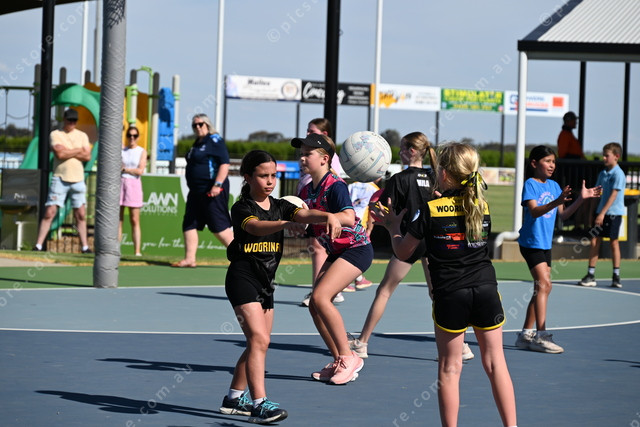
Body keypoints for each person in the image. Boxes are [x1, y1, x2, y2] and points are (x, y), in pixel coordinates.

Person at [375, 142, 517, 427]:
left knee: (450, 368)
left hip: (451, 293)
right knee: (495, 363)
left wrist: (392, 226)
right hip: (486, 289)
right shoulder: (482, 206)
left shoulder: (429, 209)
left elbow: (403, 251)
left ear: (444, 173)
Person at [220, 150, 341, 423]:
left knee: (258, 343)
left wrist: (328, 216)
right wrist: (286, 224)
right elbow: (255, 227)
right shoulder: (242, 208)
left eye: (274, 175)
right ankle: (259, 404)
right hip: (242, 279)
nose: (270, 181)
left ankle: (233, 399)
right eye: (263, 176)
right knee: (259, 340)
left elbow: (305, 213)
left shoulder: (281, 205)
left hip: (266, 283)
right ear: (247, 177)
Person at [349, 132, 474, 362]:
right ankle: (462, 346)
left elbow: (383, 210)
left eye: (402, 148)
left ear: (412, 151)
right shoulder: (435, 177)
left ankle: (362, 343)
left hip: (409, 239)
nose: (399, 152)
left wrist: (375, 208)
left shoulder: (399, 179)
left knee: (384, 291)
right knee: (438, 295)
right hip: (435, 240)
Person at [292, 133, 373, 385]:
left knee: (319, 297)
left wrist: (327, 217)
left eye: (308, 154)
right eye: (301, 153)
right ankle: (339, 358)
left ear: (324, 159)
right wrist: (299, 225)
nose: (302, 158)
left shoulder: (335, 185)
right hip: (337, 251)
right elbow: (307, 220)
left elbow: (348, 217)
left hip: (357, 249)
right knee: (315, 305)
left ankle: (349, 357)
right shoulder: (306, 190)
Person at [515, 145, 600, 353]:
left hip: (545, 244)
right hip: (531, 243)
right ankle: (541, 336)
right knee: (544, 285)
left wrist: (581, 198)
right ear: (534, 163)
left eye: (553, 161)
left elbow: (563, 214)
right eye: (547, 161)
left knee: (542, 287)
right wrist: (556, 201)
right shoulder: (530, 184)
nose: (552, 165)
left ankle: (525, 335)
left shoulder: (554, 185)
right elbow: (534, 211)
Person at [172, 114, 233, 267]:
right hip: (196, 191)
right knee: (189, 223)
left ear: (207, 124)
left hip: (212, 190)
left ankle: (243, 258)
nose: (197, 127)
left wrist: (217, 185)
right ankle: (189, 259)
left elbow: (224, 164)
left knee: (218, 227)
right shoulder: (197, 143)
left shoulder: (214, 140)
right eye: (194, 125)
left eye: (200, 124)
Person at [297, 118, 345, 306]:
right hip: (313, 207)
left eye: (312, 131)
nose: (307, 134)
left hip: (321, 209)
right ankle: (325, 289)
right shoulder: (309, 162)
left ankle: (321, 289)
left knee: (318, 248)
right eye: (307, 131)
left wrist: (325, 214)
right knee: (317, 247)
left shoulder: (331, 169)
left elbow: (334, 182)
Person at [33, 108, 93, 253]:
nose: (72, 123)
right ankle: (39, 245)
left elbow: (87, 156)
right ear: (64, 120)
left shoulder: (82, 135)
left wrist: (68, 151)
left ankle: (85, 246)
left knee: (80, 214)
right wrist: (78, 150)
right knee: (50, 212)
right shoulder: (56, 134)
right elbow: (59, 154)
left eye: (74, 121)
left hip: (78, 179)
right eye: (69, 120)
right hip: (59, 178)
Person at [579, 142, 626, 288]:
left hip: (613, 214)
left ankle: (616, 276)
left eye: (607, 155)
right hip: (600, 213)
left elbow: (613, 196)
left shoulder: (618, 174)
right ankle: (590, 274)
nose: (604, 158)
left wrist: (603, 213)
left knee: (613, 242)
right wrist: (592, 213)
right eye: (603, 155)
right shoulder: (602, 174)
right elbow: (596, 194)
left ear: (616, 156)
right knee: (594, 241)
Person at [345, 178, 381, 291]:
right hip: (359, 224)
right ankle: (346, 280)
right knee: (354, 253)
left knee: (348, 250)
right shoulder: (374, 189)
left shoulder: (352, 185)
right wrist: (370, 229)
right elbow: (372, 211)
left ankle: (358, 279)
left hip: (346, 221)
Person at [119, 126, 147, 256]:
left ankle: (137, 251)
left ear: (138, 137)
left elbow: (140, 170)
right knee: (118, 220)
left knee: (134, 219)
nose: (132, 138)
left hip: (134, 185)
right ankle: (116, 250)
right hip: (120, 184)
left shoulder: (142, 151)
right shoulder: (122, 151)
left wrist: (125, 170)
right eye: (129, 135)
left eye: (134, 136)